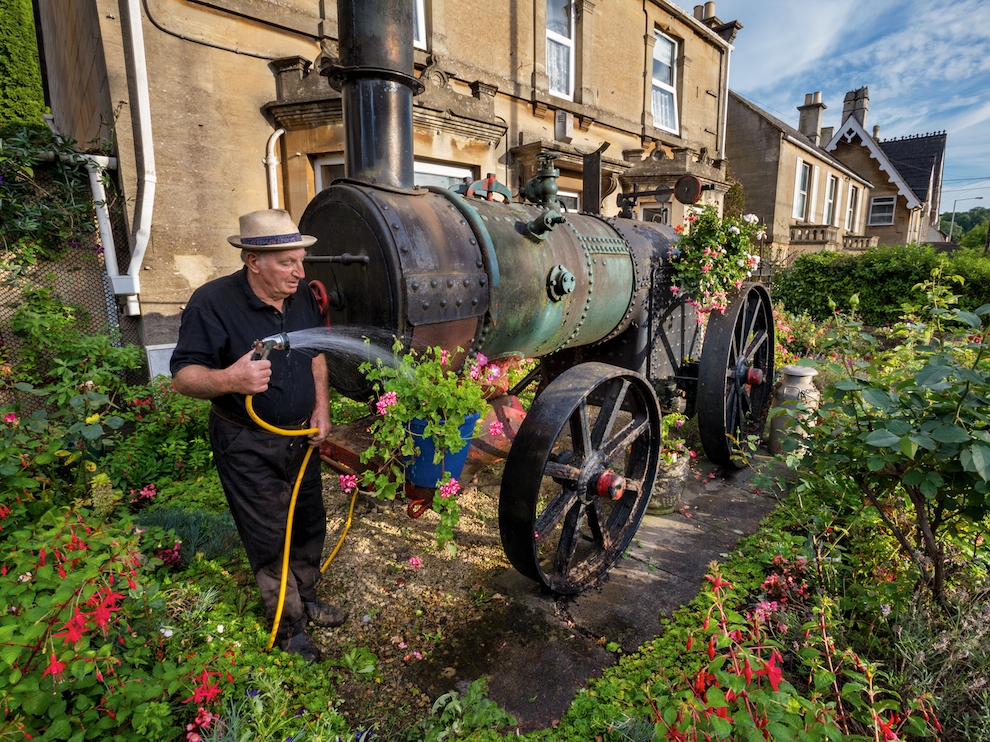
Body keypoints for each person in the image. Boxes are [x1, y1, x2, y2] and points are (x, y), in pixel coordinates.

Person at [170, 208, 345, 663]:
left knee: (308, 524)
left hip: (300, 436)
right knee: (269, 537)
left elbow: (316, 356)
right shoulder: (212, 303)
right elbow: (183, 378)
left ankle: (303, 598)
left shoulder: (301, 296)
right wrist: (230, 380)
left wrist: (321, 409)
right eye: (288, 262)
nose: (300, 271)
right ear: (253, 261)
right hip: (246, 442)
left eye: (301, 259)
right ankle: (288, 631)